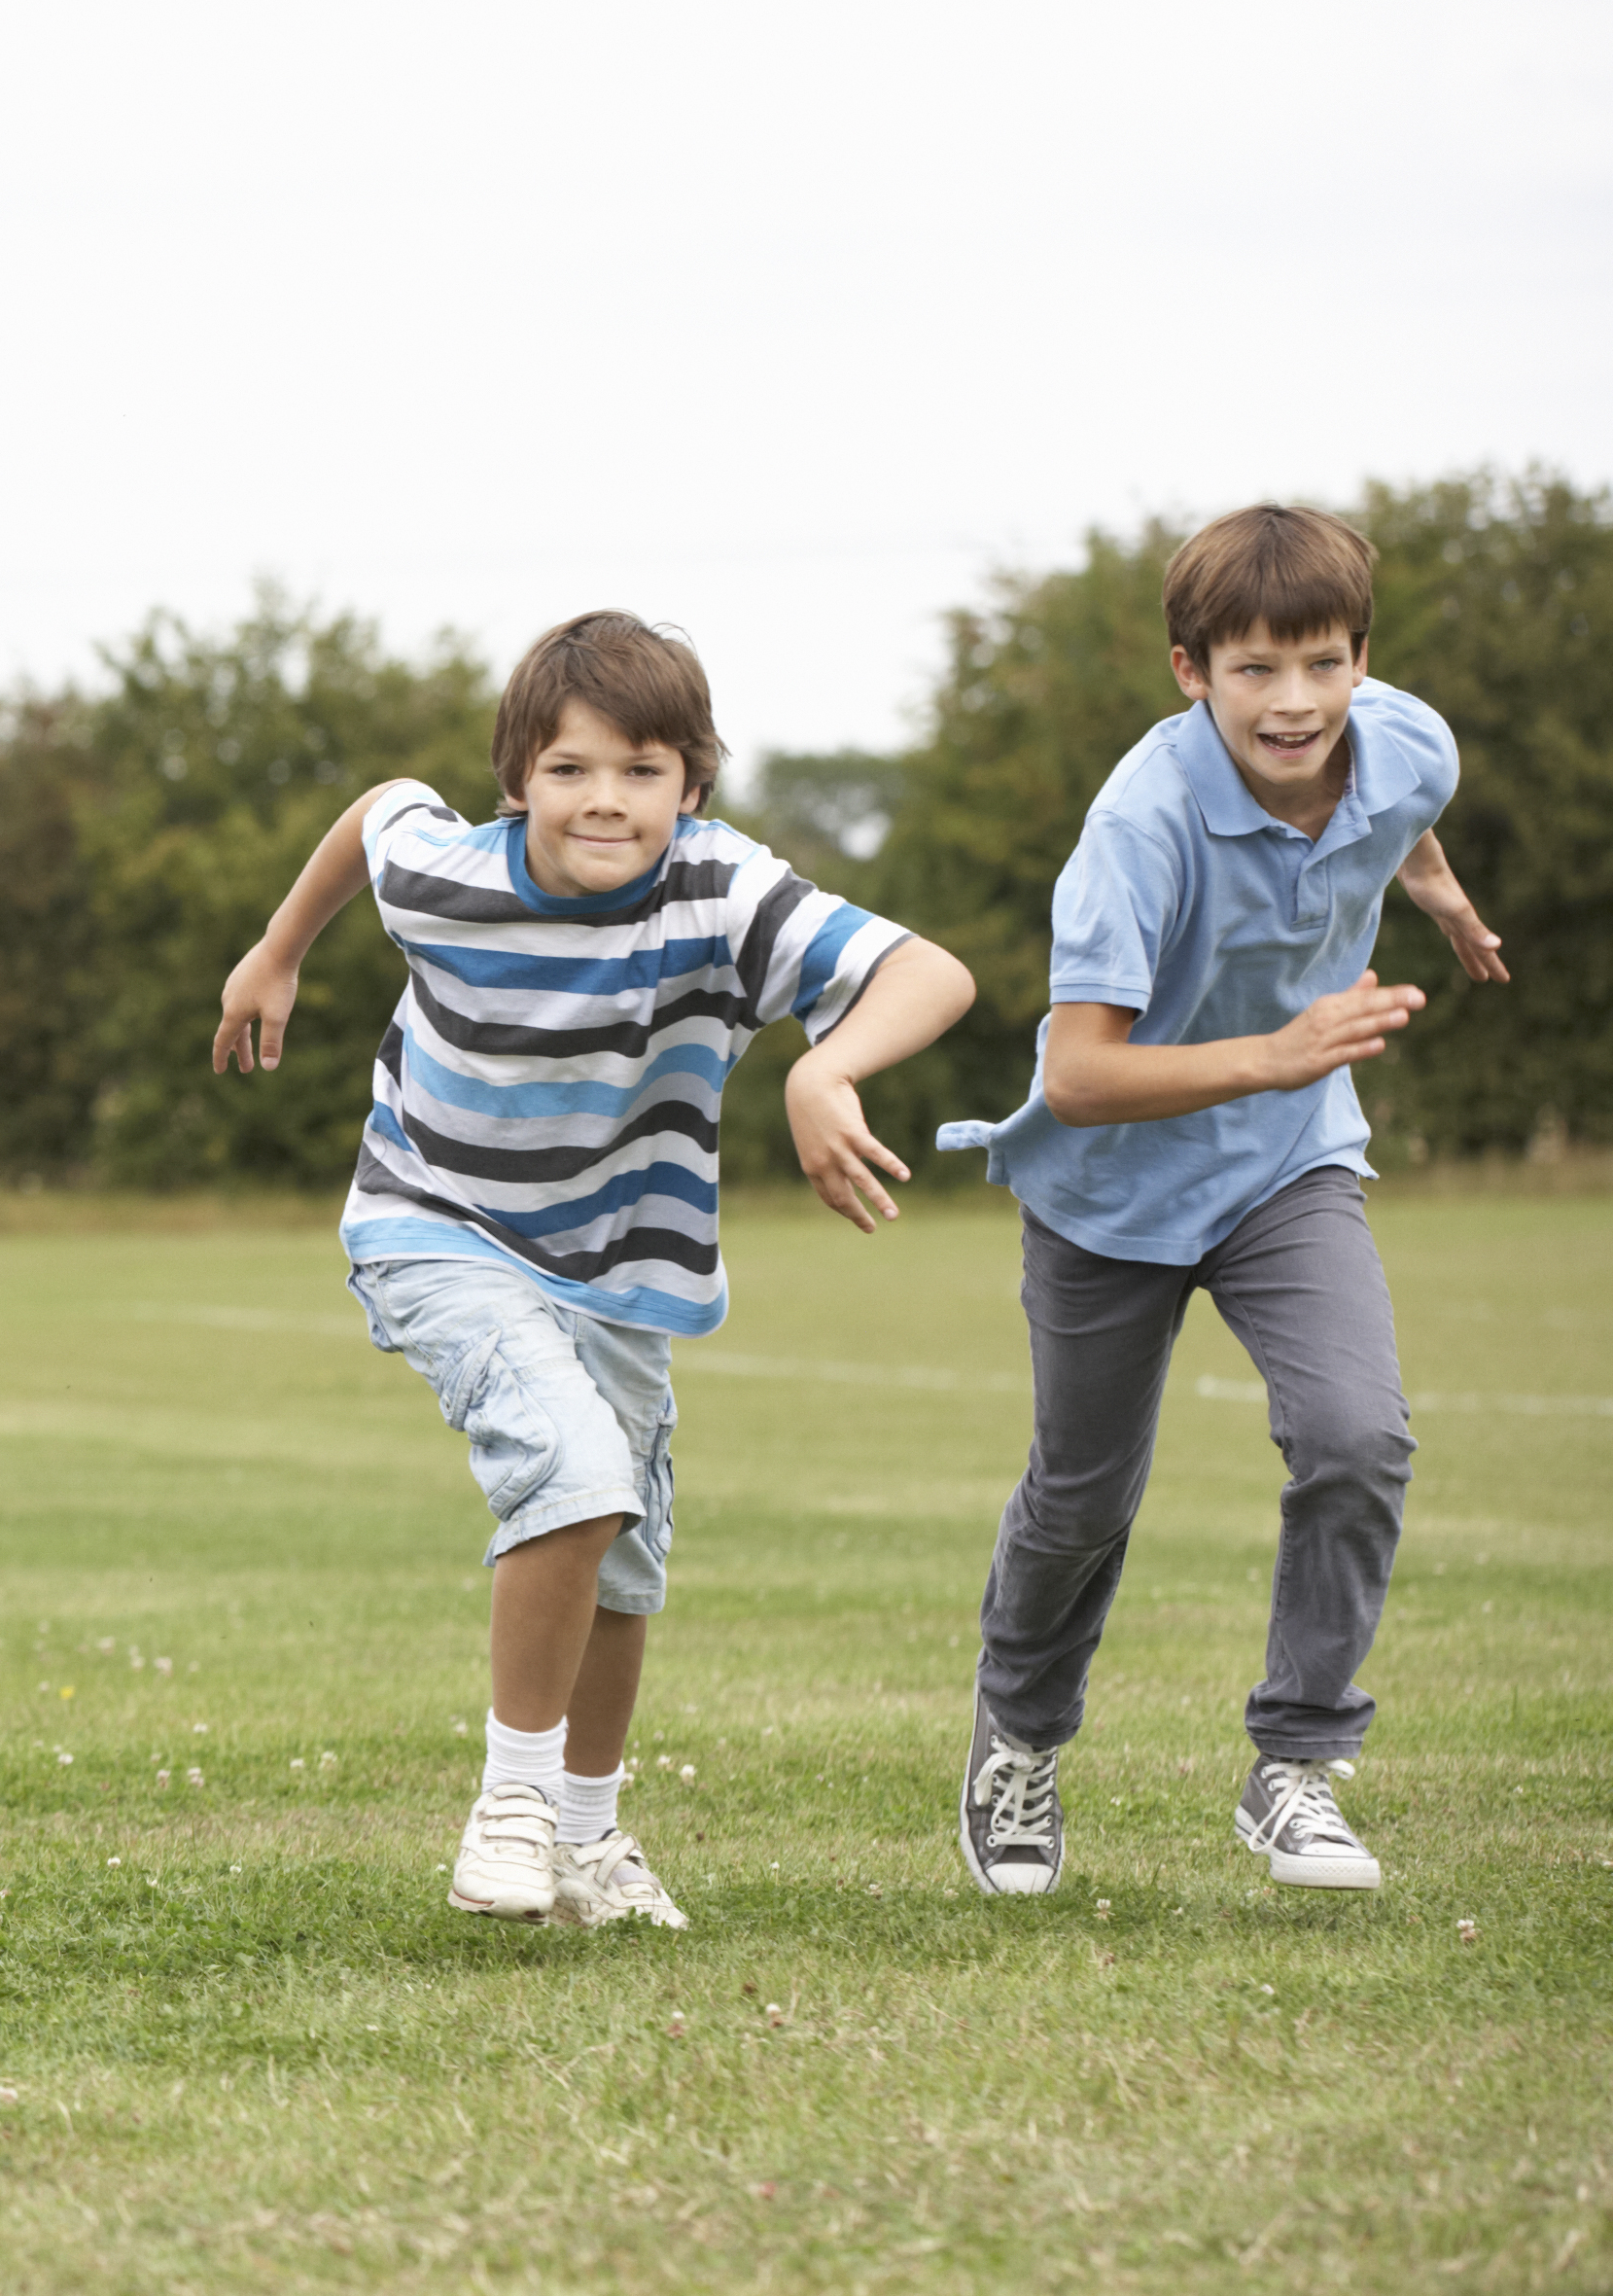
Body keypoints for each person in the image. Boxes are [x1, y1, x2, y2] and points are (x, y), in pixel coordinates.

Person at [215, 612, 975, 1930]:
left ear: (692, 786)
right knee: (572, 1478)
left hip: (622, 1268)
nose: (604, 800)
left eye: (641, 770)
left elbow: (931, 972)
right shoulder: (449, 873)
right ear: (517, 782)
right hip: (434, 1222)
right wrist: (276, 952)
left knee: (618, 1554)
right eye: (569, 770)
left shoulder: (723, 893)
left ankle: (586, 1838)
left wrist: (828, 1063)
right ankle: (509, 1805)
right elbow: (377, 810)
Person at [937, 505, 1507, 1898]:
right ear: (1192, 671)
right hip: (1108, 1194)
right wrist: (1279, 1051)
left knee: (1358, 1437)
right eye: (1255, 669)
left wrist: (1437, 895)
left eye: (1321, 663)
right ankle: (1018, 1740)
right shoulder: (1141, 824)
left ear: (1362, 657)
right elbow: (1075, 1075)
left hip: (1286, 1164)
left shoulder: (1410, 742)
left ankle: (1295, 1769)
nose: (1295, 701)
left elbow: (1406, 815)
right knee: (1082, 1501)